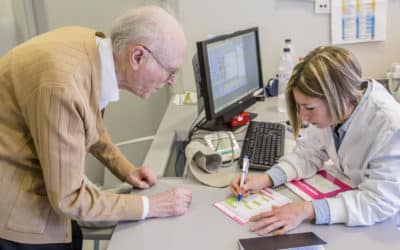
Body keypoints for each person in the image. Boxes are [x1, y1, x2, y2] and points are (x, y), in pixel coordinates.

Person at [0, 5, 192, 249]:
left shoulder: (96, 49)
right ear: (137, 57)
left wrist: (125, 170)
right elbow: (68, 198)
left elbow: (87, 120)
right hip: (13, 205)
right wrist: (151, 206)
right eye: (170, 72)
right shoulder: (64, 85)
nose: (170, 82)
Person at [231, 46, 400, 235]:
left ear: (337, 97)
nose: (303, 116)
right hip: (354, 194)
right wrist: (266, 179)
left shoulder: (390, 125)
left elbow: (380, 202)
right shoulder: (337, 109)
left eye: (309, 108)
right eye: (300, 107)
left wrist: (306, 210)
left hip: (385, 228)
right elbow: (308, 152)